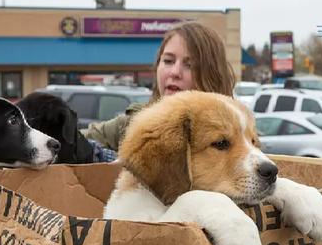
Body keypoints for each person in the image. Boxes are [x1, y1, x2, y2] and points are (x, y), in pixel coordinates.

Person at [85, 21, 235, 151]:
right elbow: (75, 141)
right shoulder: (131, 125)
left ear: (212, 75)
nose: (175, 72)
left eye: (190, 65)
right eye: (168, 61)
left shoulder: (236, 136)